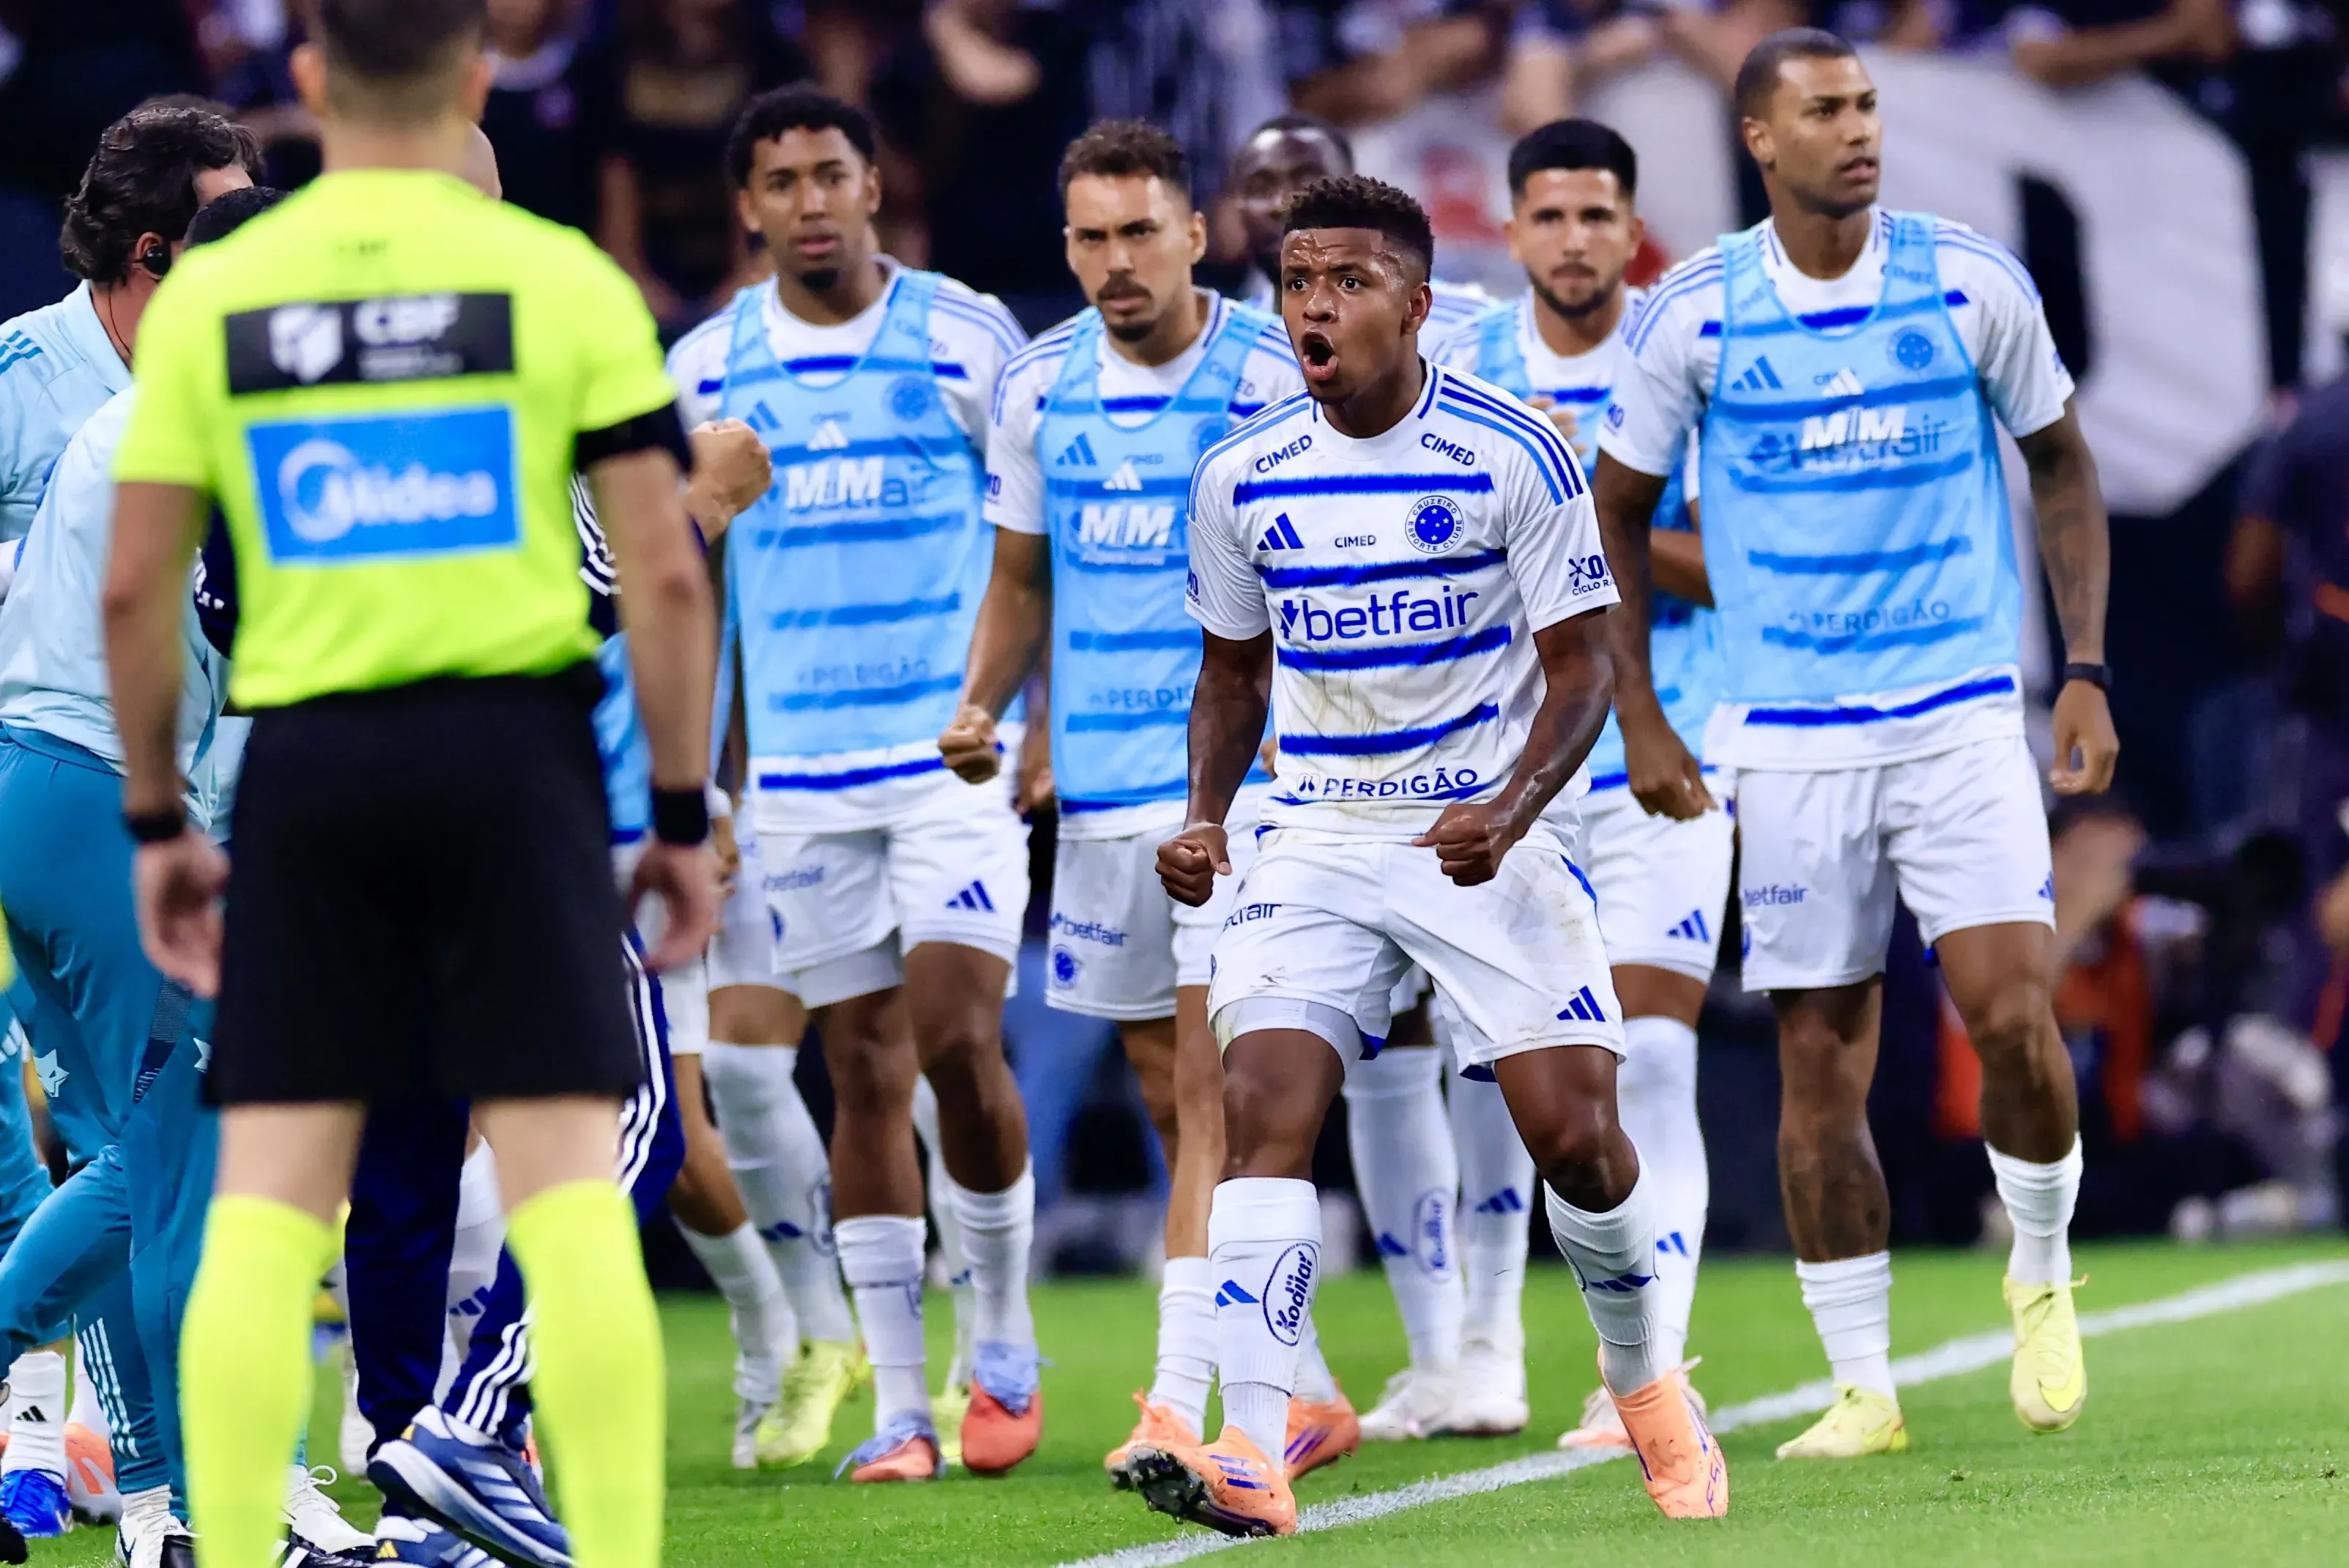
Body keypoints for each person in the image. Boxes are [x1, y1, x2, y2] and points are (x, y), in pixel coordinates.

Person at [103, 1, 721, 1564]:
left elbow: (138, 585)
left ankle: (233, 1541)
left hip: (312, 766)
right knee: (567, 1189)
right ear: (477, 74)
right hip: (513, 762)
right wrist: (676, 813)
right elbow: (661, 571)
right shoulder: (558, 278)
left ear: (309, 80)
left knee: (268, 1204)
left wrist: (159, 821)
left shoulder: (222, 292)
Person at [1127, 173, 1728, 1539]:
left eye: (1346, 282)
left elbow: (1583, 670)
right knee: (1262, 1107)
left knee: (1576, 1139)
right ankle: (1253, 1445)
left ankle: (1646, 1386)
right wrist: (1208, 812)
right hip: (1315, 833)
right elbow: (1231, 675)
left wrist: (1511, 808)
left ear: (1413, 304)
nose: (1313, 306)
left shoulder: (1513, 453)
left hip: (1481, 831)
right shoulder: (1240, 474)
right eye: (1297, 282)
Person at [1592, 28, 2118, 1460]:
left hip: (1957, 713)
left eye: (1867, 103)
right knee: (1818, 1061)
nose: (1858, 128)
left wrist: (2080, 669)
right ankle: (1862, 1386)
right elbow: (1614, 512)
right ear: (1759, 139)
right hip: (1788, 738)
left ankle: (2039, 1264)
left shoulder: (1967, 282)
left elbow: (2060, 462)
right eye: (1824, 109)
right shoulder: (1693, 315)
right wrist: (1640, 711)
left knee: (2009, 1014)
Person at [937, 119, 1360, 1487]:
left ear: (1194, 233)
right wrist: (988, 707)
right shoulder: (1037, 387)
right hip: (1100, 790)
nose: (1115, 261)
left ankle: (1183, 1404)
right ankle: (1308, 1390)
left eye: (1139, 233)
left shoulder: (1270, 373)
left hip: (1238, 791)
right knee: (1174, 1106)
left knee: (1207, 1090)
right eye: (1090, 238)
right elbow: (1021, 578)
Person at [666, 83, 1041, 1485]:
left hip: (951, 758)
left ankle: (998, 1330)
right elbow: (689, 592)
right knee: (859, 1071)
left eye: (832, 173)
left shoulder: (965, 337)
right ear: (747, 208)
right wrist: (704, 783)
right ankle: (899, 1406)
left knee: (956, 1040)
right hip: (801, 780)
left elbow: (1035, 545)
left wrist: (1030, 715)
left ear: (875, 188)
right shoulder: (704, 371)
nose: (810, 201)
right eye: (782, 181)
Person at [0, 182, 376, 1568]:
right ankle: (234, 1506)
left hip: (47, 797)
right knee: (191, 1173)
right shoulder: (205, 424)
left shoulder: (147, 414)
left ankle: (164, 1514)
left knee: (139, 1163)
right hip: (101, 799)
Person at [1432, 117, 1725, 1451]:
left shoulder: (1683, 354)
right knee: (1499, 1069)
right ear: (1509, 232)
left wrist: (1599, 502)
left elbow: (1731, 562)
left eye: (1595, 215)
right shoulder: (1462, 370)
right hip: (1512, 772)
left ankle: (1647, 1374)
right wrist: (1528, 494)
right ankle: (1483, 1351)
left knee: (1652, 1054)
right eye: (1546, 216)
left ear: (1630, 229)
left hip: (1672, 750)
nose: (1570, 239)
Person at [1228, 114, 1487, 341]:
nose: (1282, 204)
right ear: (1236, 206)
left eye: (1307, 182)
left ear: (1355, 190)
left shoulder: (1466, 329)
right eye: (1260, 189)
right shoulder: (1225, 340)